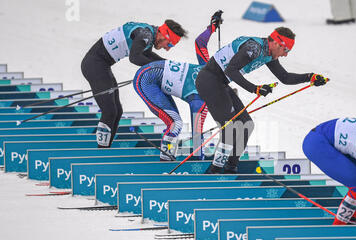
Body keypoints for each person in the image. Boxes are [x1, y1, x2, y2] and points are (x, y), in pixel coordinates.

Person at [195, 27, 329, 174]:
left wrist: (310, 77)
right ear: (277, 44)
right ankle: (215, 170)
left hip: (221, 83)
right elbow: (231, 71)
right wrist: (255, 88)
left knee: (247, 124)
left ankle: (230, 167)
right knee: (230, 128)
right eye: (286, 50)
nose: (285, 55)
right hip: (209, 81)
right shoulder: (254, 48)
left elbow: (284, 77)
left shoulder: (268, 54)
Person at [81, 20, 187, 148]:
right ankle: (101, 151)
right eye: (169, 44)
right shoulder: (145, 34)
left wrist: (169, 65)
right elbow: (135, 58)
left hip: (101, 65)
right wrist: (159, 67)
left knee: (117, 111)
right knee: (109, 111)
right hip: (95, 65)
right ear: (163, 34)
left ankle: (105, 148)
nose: (167, 48)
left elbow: (147, 55)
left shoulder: (147, 35)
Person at [133, 11, 224, 161]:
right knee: (175, 123)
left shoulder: (207, 67)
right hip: (147, 79)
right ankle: (165, 160)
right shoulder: (201, 101)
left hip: (151, 76)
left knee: (176, 123)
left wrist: (212, 27)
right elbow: (196, 135)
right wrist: (198, 161)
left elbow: (200, 43)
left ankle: (167, 156)